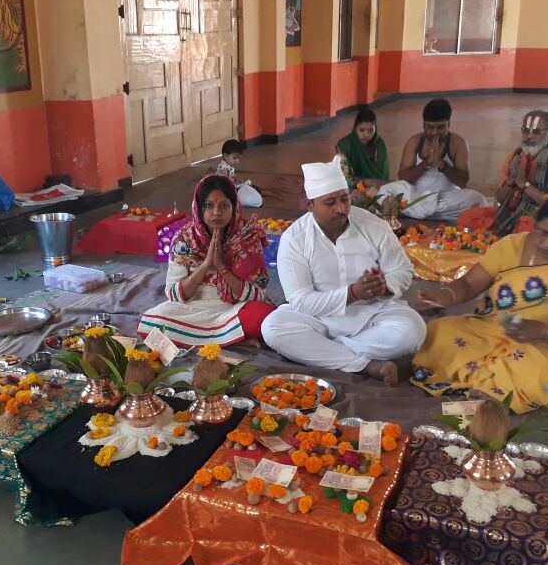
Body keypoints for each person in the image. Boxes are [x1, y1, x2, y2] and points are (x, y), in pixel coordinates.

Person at [410, 196, 548, 413]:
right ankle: (487, 388)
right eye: (542, 232)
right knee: (436, 332)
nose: (547, 243)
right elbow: (468, 283)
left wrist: (545, 332)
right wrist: (445, 295)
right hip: (489, 330)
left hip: (543, 347)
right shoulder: (512, 246)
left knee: (539, 377)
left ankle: (488, 390)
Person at [261, 157, 426, 386]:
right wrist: (352, 294)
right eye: (330, 202)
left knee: (413, 330)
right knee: (272, 327)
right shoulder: (294, 239)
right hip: (317, 318)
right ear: (310, 205)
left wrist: (385, 286)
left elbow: (402, 270)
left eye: (344, 199)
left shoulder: (374, 225)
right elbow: (301, 301)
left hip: (372, 314)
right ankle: (368, 365)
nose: (340, 209)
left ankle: (320, 352)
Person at [138, 175, 274, 346]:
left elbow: (258, 294)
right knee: (149, 323)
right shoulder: (184, 240)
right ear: (199, 208)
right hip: (191, 309)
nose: (216, 212)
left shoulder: (247, 237)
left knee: (264, 316)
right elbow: (173, 294)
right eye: (209, 205)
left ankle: (215, 337)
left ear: (234, 207)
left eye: (224, 206)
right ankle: (233, 339)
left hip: (233, 309)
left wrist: (221, 267)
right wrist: (205, 266)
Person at [459, 109, 548, 236]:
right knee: (466, 217)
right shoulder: (517, 155)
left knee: (524, 229)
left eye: (537, 132)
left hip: (546, 219)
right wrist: (510, 182)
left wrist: (524, 184)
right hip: (513, 213)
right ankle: (508, 234)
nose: (529, 136)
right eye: (525, 130)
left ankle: (507, 236)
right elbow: (500, 198)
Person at [376, 98, 486, 221]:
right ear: (423, 125)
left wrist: (442, 165)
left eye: (440, 127)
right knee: (386, 190)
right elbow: (403, 176)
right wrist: (425, 164)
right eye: (430, 127)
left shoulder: (458, 143)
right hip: (416, 194)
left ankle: (408, 212)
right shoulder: (414, 142)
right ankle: (435, 215)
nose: (435, 132)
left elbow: (462, 181)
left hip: (444, 197)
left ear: (448, 124)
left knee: (477, 199)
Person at [335, 109, 390, 188]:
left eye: (370, 131)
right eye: (362, 130)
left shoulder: (379, 144)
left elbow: (384, 174)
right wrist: (366, 182)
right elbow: (343, 178)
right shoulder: (345, 145)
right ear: (355, 128)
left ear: (375, 130)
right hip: (352, 188)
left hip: (377, 187)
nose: (366, 134)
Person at [215, 139, 263, 208]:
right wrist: (234, 181)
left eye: (238, 158)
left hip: (230, 186)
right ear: (225, 156)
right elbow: (224, 180)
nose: (237, 161)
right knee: (242, 188)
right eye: (234, 158)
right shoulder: (223, 167)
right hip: (223, 189)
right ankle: (259, 192)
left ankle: (259, 191)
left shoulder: (228, 166)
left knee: (245, 184)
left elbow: (230, 178)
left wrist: (236, 180)